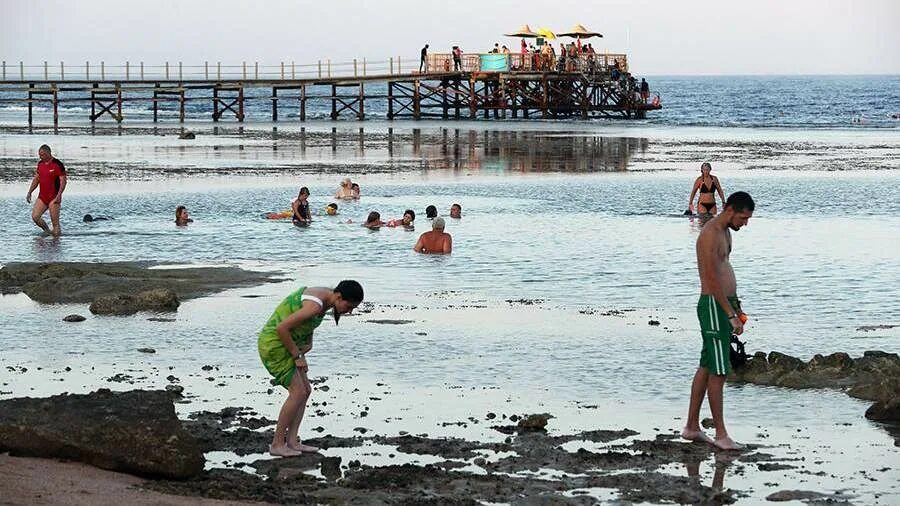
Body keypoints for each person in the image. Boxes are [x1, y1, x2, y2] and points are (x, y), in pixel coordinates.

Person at [682, 191, 755, 452]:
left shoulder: (726, 233)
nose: (745, 224)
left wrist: (737, 308)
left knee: (707, 364)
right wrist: (729, 314)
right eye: (744, 218)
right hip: (714, 306)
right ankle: (721, 434)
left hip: (724, 305)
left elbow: (725, 271)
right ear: (731, 209)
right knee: (719, 370)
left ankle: (691, 427)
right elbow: (712, 280)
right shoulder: (711, 234)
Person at [258, 280, 364, 457]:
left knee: (305, 391)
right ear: (338, 296)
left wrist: (308, 343)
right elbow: (281, 328)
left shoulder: (325, 299)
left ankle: (292, 441)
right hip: (274, 346)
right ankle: (277, 444)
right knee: (297, 392)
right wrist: (297, 356)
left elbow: (307, 322)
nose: (349, 311)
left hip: (289, 345)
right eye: (349, 305)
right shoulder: (315, 305)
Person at [25, 144, 67, 237]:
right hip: (42, 197)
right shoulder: (40, 164)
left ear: (48, 153)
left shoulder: (57, 164)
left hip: (54, 197)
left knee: (55, 224)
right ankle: (47, 231)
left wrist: (59, 195)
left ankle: (56, 243)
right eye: (39, 154)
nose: (40, 156)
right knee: (35, 217)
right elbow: (37, 179)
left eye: (42, 154)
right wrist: (30, 192)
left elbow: (63, 181)